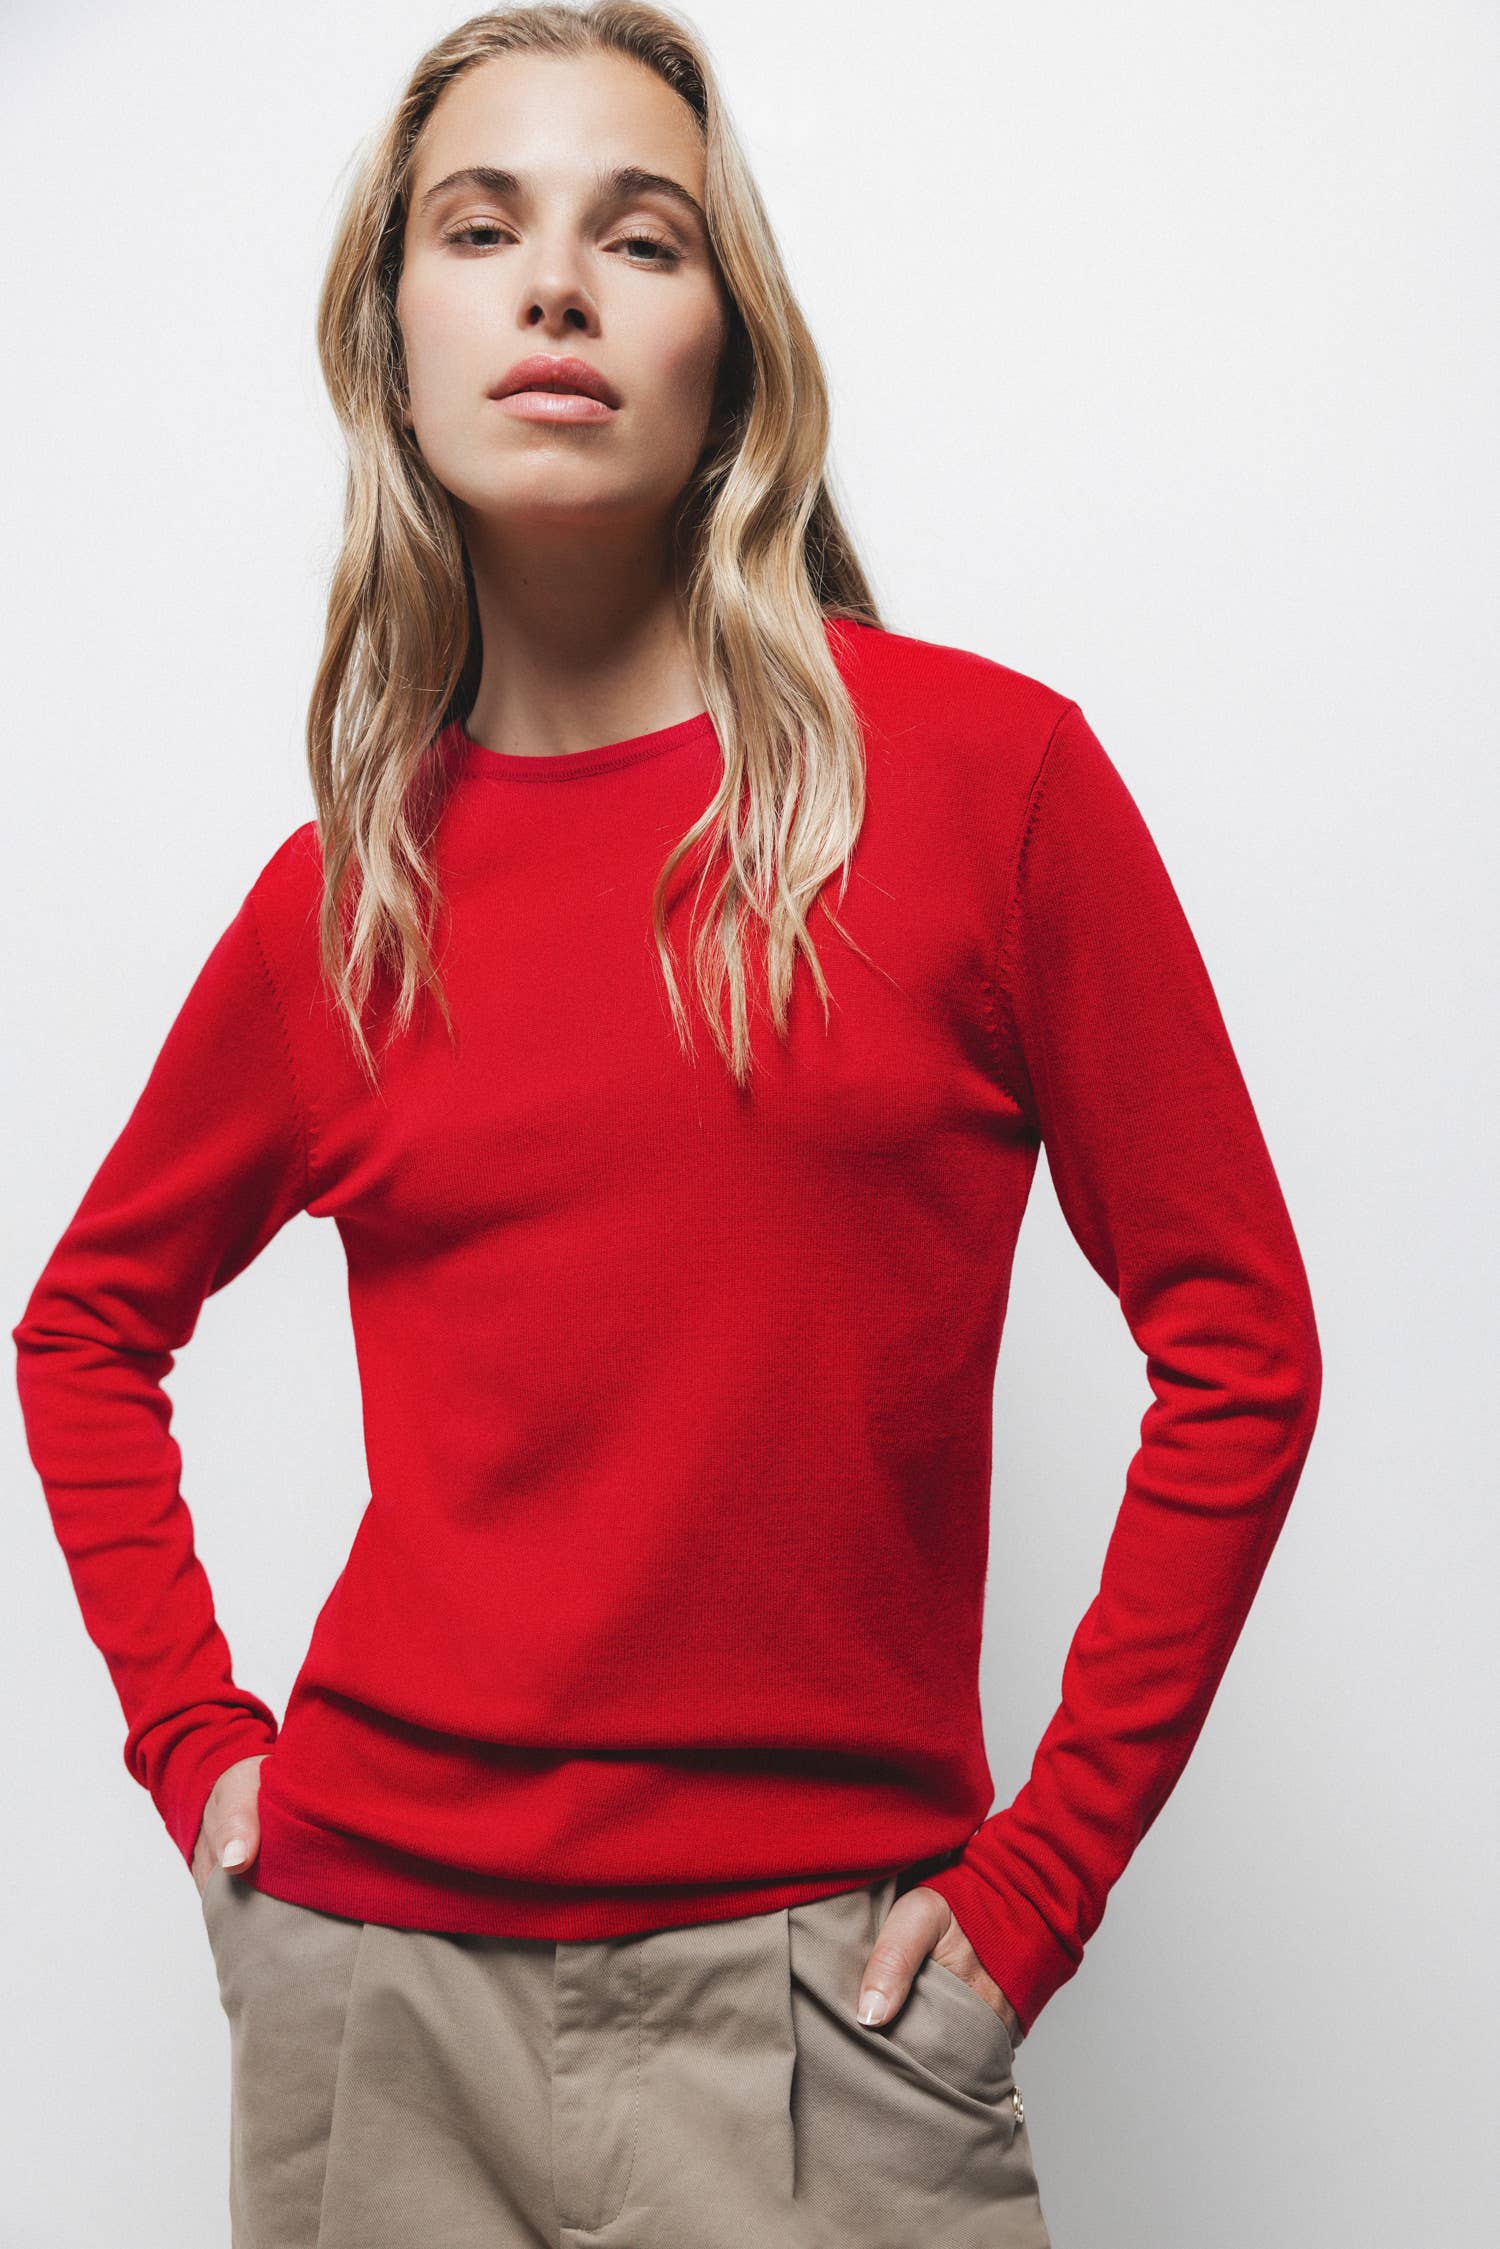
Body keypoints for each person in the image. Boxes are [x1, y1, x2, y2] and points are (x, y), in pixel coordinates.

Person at [12, 6, 1322, 2245]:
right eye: (478, 228)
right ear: (390, 341)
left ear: (735, 352)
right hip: (373, 1999)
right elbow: (82, 1329)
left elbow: (1241, 1342)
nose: (555, 285)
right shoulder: (346, 903)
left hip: (830, 2014)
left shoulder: (987, 791)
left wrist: (1041, 1886)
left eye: (641, 237)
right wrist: (200, 1755)